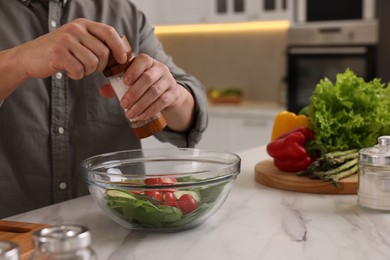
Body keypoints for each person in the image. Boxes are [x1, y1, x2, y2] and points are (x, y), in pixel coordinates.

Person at [0, 0, 208, 218]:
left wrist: (173, 95)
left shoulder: (124, 13)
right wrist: (18, 60)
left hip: (119, 229)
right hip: (11, 234)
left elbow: (188, 115)